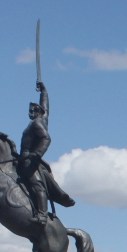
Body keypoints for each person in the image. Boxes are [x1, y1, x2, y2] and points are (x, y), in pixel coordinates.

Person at [18, 81, 74, 223]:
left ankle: (42, 215)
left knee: (37, 185)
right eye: (29, 111)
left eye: (33, 111)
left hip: (30, 160)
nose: (30, 113)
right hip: (22, 158)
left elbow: (46, 139)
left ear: (38, 112)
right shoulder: (41, 120)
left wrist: (37, 153)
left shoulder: (37, 123)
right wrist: (44, 92)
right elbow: (46, 108)